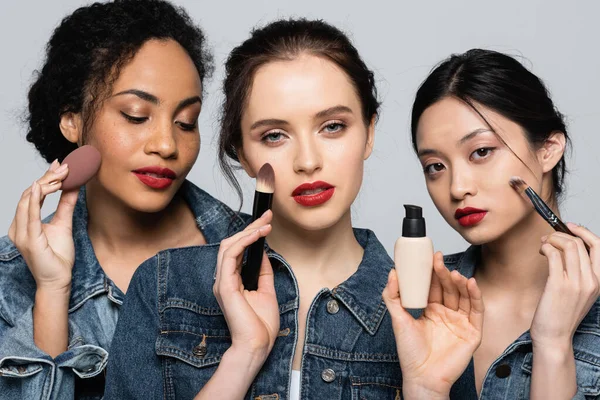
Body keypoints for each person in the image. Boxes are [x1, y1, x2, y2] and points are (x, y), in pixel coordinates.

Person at [105, 18, 483, 400]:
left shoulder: (428, 309)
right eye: (274, 136)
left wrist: (425, 389)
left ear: (369, 132)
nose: (307, 160)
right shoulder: (168, 287)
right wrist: (245, 354)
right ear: (243, 154)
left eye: (333, 126)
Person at [0, 1, 246, 399]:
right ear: (72, 120)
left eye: (186, 122)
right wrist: (51, 290)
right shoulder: (9, 279)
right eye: (136, 115)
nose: (167, 144)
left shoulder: (257, 254)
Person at [385, 48, 600, 399]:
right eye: (435, 166)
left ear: (548, 148)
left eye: (481, 152)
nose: (457, 187)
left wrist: (553, 345)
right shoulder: (415, 300)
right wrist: (426, 388)